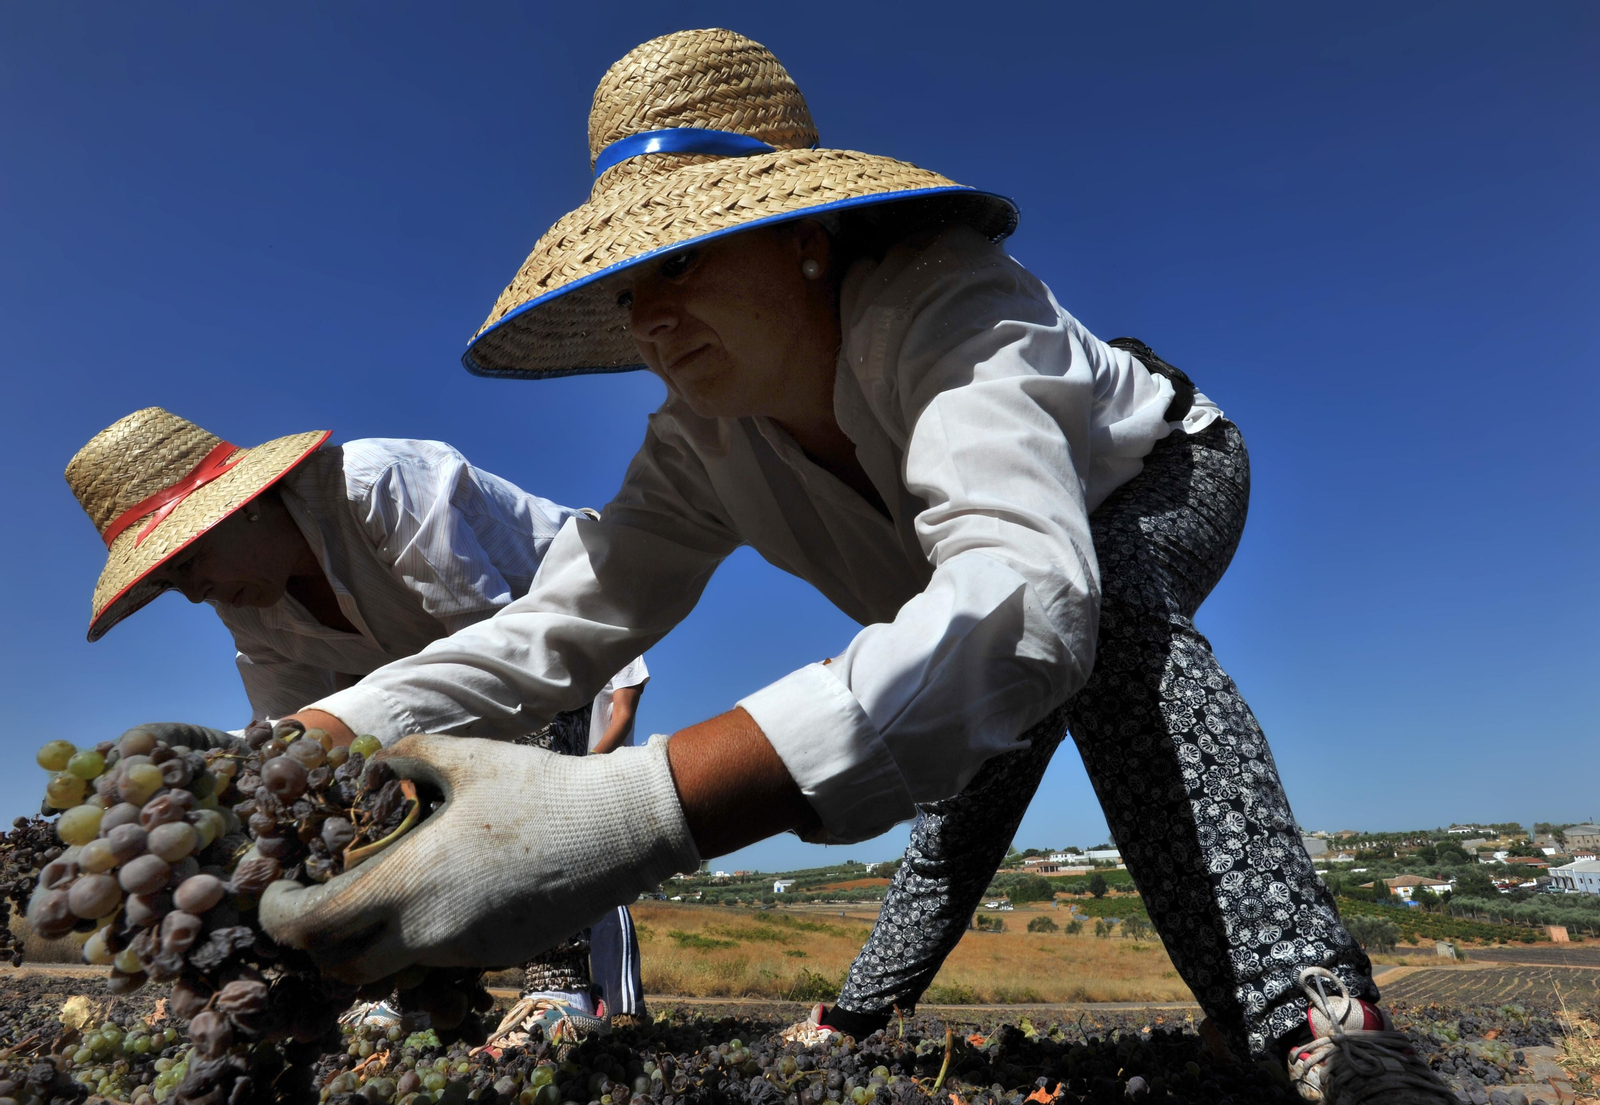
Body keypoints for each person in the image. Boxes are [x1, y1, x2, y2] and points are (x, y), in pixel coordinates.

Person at [230, 30, 1450, 1103]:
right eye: (625, 286)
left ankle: (1314, 1018)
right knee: (965, 744)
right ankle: (866, 1008)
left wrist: (647, 805)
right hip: (978, 577)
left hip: (1156, 474)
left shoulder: (950, 309)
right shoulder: (696, 444)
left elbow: (1029, 593)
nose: (648, 320)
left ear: (803, 234)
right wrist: (316, 735)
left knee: (1104, 628)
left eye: (683, 260)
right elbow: (562, 621)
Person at [64, 411, 649, 1025]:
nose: (191, 593)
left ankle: (561, 989)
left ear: (242, 507)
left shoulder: (381, 487)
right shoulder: (251, 611)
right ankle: (397, 986)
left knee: (525, 793)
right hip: (441, 686)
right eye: (169, 580)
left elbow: (501, 660)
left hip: (562, 649)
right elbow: (294, 746)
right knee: (353, 798)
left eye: (188, 564)